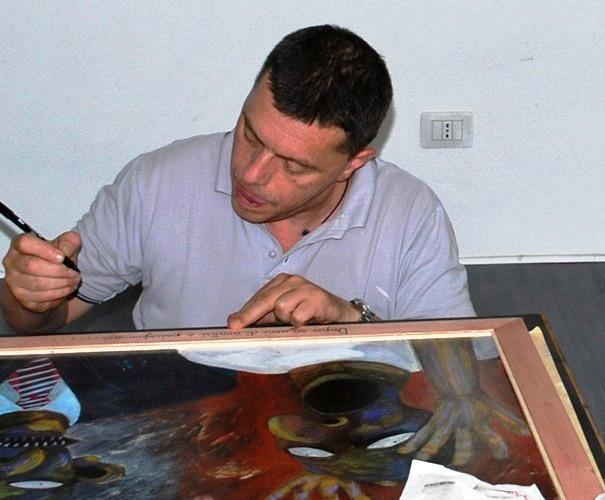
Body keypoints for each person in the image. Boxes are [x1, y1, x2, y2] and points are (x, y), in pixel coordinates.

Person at [0, 24, 474, 335]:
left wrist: (349, 319)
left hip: (345, 429)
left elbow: (462, 370)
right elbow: (44, 321)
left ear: (354, 163)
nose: (250, 174)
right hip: (179, 420)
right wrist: (28, 295)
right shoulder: (157, 182)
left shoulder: (410, 213)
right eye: (250, 134)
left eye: (294, 165)